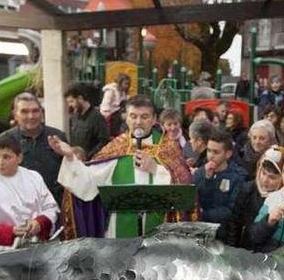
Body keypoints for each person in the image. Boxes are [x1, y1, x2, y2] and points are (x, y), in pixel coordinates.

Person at [49, 95, 194, 239]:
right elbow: (89, 182)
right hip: (119, 229)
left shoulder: (168, 147)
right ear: (126, 118)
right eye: (133, 116)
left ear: (154, 119)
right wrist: (70, 157)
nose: (138, 122)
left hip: (159, 227)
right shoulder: (117, 147)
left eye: (144, 117)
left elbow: (184, 183)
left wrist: (156, 169)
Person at [0, 134, 59, 249]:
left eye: (6, 157)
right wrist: (11, 232)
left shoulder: (34, 177)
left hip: (35, 248)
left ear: (19, 158)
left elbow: (50, 207)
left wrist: (39, 223)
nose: (0, 162)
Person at [0, 92, 68, 202]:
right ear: (15, 114)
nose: (31, 116)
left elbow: (69, 169)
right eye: (24, 112)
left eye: (35, 111)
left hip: (55, 202)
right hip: (19, 204)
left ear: (41, 112)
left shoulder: (57, 136)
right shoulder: (5, 140)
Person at [223, 147, 284, 248]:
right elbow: (234, 223)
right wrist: (232, 250)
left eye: (272, 177)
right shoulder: (247, 189)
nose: (265, 180)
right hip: (246, 248)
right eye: (263, 173)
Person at [193, 129, 248, 225]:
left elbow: (232, 211)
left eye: (216, 152)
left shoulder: (238, 176)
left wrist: (202, 214)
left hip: (224, 232)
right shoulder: (199, 173)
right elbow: (196, 201)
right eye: (209, 150)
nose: (211, 156)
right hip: (199, 230)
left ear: (228, 154)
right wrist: (207, 180)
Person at [65, 83, 109, 159]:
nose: (70, 105)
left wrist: (88, 156)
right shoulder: (73, 118)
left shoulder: (97, 117)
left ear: (80, 98)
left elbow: (104, 141)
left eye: (71, 101)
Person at [100, 73, 130, 137]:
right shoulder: (111, 91)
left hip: (117, 113)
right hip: (110, 114)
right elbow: (105, 105)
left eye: (128, 84)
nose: (127, 86)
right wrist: (107, 117)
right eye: (125, 83)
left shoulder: (123, 92)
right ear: (120, 82)